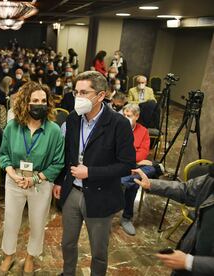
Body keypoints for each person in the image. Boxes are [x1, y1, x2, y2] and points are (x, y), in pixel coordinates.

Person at [54, 71, 136, 276]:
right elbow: (68, 153)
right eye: (76, 92)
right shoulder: (73, 119)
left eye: (84, 92)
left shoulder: (119, 123)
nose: (78, 97)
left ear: (100, 96)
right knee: (67, 243)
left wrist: (91, 172)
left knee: (98, 251)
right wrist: (58, 180)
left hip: (101, 194)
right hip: (72, 191)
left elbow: (127, 165)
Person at [0, 81, 64, 275]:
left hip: (40, 182)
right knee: (11, 222)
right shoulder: (12, 127)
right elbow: (3, 155)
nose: (39, 104)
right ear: (26, 103)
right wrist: (13, 174)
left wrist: (34, 179)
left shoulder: (53, 130)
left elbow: (58, 163)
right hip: (15, 180)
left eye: (43, 100)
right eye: (35, 100)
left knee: (37, 223)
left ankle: (30, 257)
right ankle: (9, 256)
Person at [133, 164, 214, 276]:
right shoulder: (211, 178)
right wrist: (152, 184)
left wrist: (190, 263)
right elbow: (186, 191)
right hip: (191, 254)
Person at [120, 103, 163, 235]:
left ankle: (122, 182)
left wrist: (133, 159)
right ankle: (126, 218)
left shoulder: (143, 131)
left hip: (134, 167)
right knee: (139, 177)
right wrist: (133, 158)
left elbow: (143, 152)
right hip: (119, 165)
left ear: (137, 116)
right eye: (124, 115)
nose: (125, 118)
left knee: (147, 169)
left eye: (129, 116)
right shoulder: (117, 128)